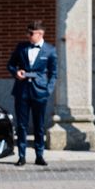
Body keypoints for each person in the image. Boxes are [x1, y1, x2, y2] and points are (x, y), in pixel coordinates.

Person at [7, 20, 58, 166]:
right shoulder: (21, 47)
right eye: (27, 32)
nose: (27, 35)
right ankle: (21, 156)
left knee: (39, 125)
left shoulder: (50, 50)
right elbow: (10, 65)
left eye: (30, 33)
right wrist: (16, 72)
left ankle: (39, 155)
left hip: (40, 92)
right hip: (21, 91)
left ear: (40, 34)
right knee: (22, 125)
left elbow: (54, 74)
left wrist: (47, 91)